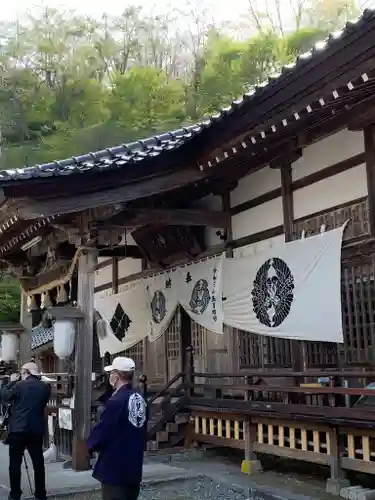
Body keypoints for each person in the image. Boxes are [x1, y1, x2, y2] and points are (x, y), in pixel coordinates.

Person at [87, 357, 147, 500]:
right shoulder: (140, 398)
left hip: (115, 466)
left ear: (117, 375)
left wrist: (89, 445)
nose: (110, 377)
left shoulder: (116, 402)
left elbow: (103, 431)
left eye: (111, 373)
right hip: (134, 464)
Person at [1, 362, 51, 500]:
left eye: (22, 372)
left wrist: (10, 382)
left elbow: (4, 396)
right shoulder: (45, 388)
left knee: (15, 464)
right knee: (38, 464)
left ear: (26, 372)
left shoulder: (18, 386)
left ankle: (15, 494)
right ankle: (41, 494)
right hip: (35, 430)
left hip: (17, 430)